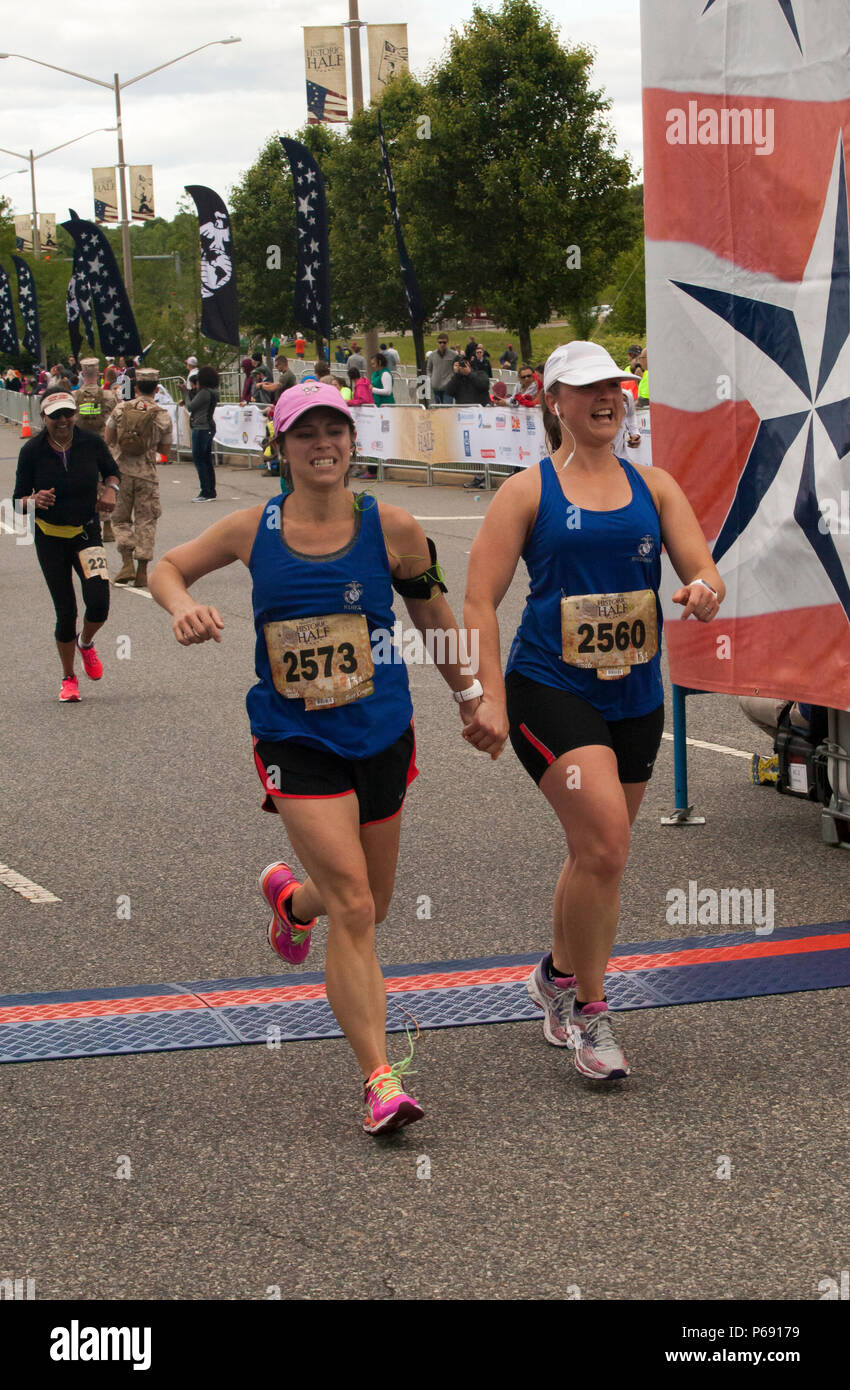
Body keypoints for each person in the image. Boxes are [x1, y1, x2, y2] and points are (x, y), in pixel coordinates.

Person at [149, 380, 489, 1134]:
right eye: (305, 434)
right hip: (293, 738)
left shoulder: (395, 528)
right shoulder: (250, 529)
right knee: (359, 907)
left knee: (365, 901)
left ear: (353, 441)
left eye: (334, 430)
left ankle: (291, 903)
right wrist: (181, 606)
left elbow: (431, 611)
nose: (322, 445)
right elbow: (165, 567)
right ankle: (379, 1081)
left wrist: (470, 694)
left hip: (381, 732)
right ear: (281, 448)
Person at [463, 341, 725, 1080]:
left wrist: (704, 590)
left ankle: (552, 976)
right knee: (607, 842)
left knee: (594, 853)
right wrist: (487, 693)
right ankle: (593, 1010)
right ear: (555, 403)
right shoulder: (528, 492)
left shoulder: (656, 487)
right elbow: (480, 599)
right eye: (586, 390)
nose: (607, 399)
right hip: (551, 688)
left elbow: (703, 570)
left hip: (635, 695)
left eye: (614, 387)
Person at [12, 388, 120, 702]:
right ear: (43, 418)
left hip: (86, 532)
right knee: (66, 611)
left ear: (74, 414)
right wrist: (33, 499)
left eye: (67, 414)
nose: (62, 420)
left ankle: (86, 643)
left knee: (99, 602)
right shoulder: (32, 450)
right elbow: (16, 501)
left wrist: (110, 491)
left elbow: (112, 472)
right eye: (54, 415)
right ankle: (69, 678)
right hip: (50, 537)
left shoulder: (91, 442)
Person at [105, 368, 172, 588]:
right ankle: (142, 570)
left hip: (121, 472)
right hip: (147, 475)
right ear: (156, 388)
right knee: (147, 520)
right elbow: (165, 450)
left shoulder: (121, 408)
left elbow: (109, 438)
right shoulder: (161, 414)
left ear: (135, 388)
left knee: (120, 518)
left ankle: (126, 563)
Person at [181, 365, 220, 501]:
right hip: (208, 426)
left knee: (199, 460)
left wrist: (185, 393)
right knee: (206, 460)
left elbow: (191, 406)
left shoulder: (204, 393)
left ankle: (206, 491)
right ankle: (210, 490)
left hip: (201, 427)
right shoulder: (213, 392)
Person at [426, 333, 457, 404]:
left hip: (448, 387)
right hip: (435, 386)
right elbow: (428, 368)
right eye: (440, 342)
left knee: (447, 409)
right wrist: (431, 378)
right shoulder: (432, 355)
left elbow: (457, 368)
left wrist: (452, 379)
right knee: (436, 410)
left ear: (447, 342)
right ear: (437, 343)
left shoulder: (453, 355)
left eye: (444, 342)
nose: (442, 344)